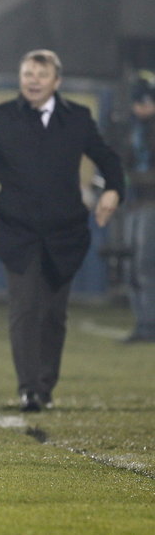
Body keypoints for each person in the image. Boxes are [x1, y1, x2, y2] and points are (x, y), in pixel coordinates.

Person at [0, 49, 124, 412]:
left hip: (65, 232)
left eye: (40, 74)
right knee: (25, 308)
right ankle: (28, 388)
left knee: (53, 314)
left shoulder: (77, 118)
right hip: (19, 231)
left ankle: (45, 385)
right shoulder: (0, 118)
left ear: (56, 82)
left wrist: (114, 189)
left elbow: (108, 159)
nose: (32, 80)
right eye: (27, 73)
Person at [120, 73, 155, 343]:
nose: (141, 107)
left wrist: (132, 178)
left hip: (151, 203)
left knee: (145, 265)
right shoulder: (133, 129)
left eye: (145, 102)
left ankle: (150, 324)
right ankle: (142, 322)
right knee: (131, 264)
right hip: (134, 204)